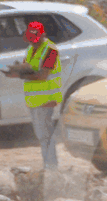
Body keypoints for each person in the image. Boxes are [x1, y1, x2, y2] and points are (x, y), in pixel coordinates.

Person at [3, 21, 62, 170]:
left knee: (45, 134)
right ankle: (48, 164)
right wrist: (16, 69)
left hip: (46, 99)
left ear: (43, 35)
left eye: (35, 40)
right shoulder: (31, 49)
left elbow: (43, 75)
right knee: (41, 134)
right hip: (34, 99)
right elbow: (28, 66)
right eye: (31, 40)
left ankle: (51, 166)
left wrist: (20, 75)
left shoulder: (51, 50)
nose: (33, 43)